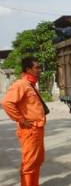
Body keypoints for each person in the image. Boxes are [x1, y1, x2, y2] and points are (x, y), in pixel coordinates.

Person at [1, 57, 47, 186]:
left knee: (37, 161)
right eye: (37, 67)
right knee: (29, 163)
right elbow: (6, 103)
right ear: (28, 69)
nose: (40, 70)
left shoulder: (30, 85)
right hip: (30, 130)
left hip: (37, 129)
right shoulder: (21, 84)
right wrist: (21, 119)